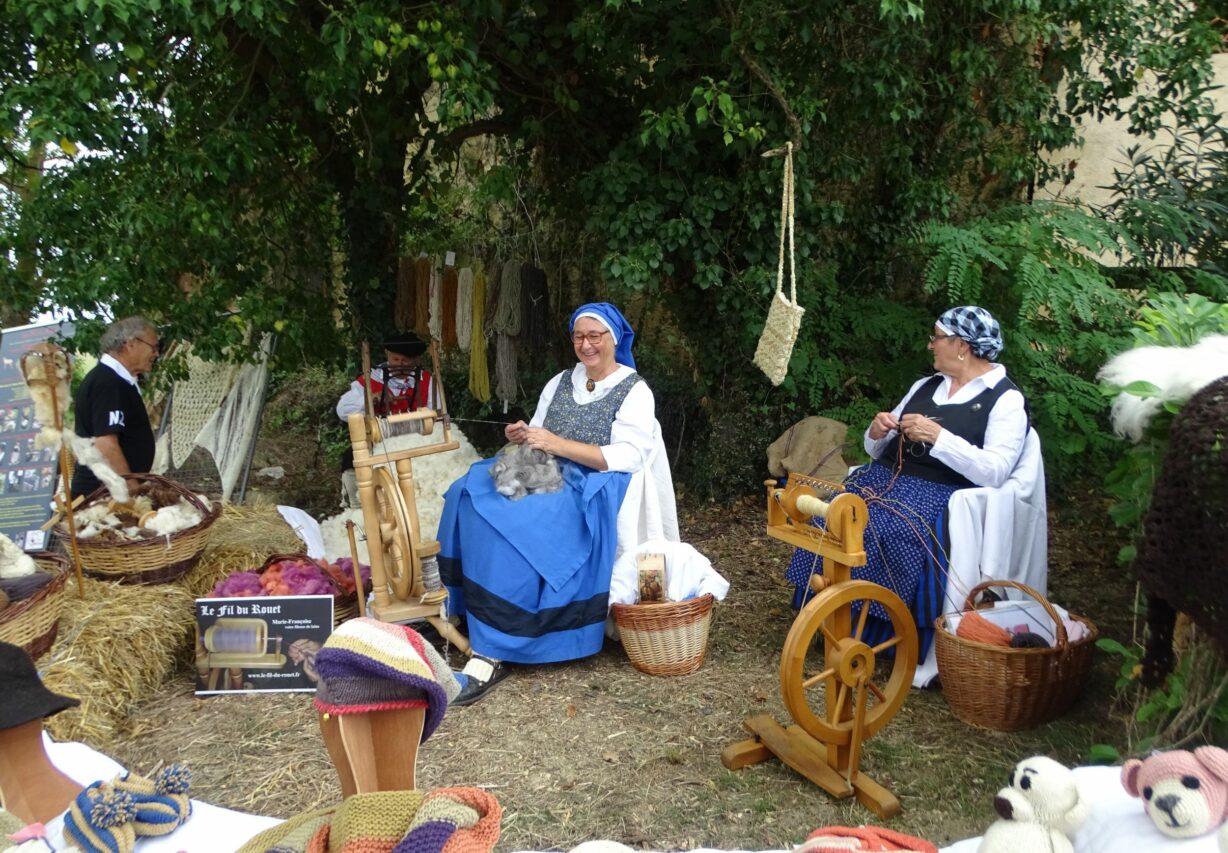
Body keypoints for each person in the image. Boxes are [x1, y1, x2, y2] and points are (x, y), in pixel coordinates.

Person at [438, 303, 678, 706]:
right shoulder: (562, 380)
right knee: (467, 490)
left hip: (594, 483)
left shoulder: (634, 390)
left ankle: (506, 632)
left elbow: (629, 456)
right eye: (579, 337)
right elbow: (540, 430)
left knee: (509, 520)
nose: (586, 345)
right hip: (545, 468)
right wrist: (524, 434)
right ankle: (466, 605)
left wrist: (558, 445)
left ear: (613, 340)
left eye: (594, 337)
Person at [785, 305, 1028, 662]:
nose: (931, 346)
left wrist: (940, 438)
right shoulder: (925, 385)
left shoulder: (1005, 399)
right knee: (833, 517)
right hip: (884, 479)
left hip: (941, 492)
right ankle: (824, 614)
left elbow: (996, 471)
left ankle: (875, 631)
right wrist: (877, 430)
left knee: (891, 532)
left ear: (962, 345)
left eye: (937, 338)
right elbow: (873, 449)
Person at [335, 332, 437, 506]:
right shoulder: (369, 380)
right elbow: (342, 410)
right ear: (387, 355)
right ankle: (358, 507)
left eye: (405, 361)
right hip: (377, 439)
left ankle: (423, 500)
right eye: (395, 360)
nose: (399, 365)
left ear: (415, 360)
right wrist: (371, 398)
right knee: (351, 459)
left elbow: (435, 413)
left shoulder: (427, 381)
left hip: (415, 439)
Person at [69, 316, 159, 498]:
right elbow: (105, 443)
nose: (156, 354)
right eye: (154, 347)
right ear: (131, 343)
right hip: (103, 494)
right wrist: (129, 483)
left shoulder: (116, 380)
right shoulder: (108, 382)